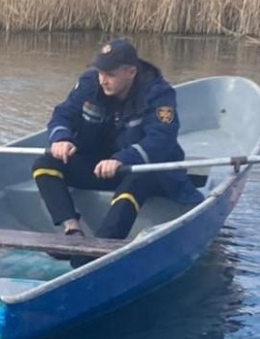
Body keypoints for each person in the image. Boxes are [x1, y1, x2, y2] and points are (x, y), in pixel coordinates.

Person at [31, 38, 201, 265]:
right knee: (45, 163)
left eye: (110, 74)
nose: (102, 79)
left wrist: (122, 159)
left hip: (144, 170)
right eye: (100, 72)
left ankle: (99, 250)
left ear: (131, 72)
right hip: (101, 167)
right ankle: (72, 233)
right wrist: (61, 139)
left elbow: (161, 140)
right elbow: (63, 114)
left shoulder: (159, 93)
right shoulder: (90, 83)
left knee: (135, 181)